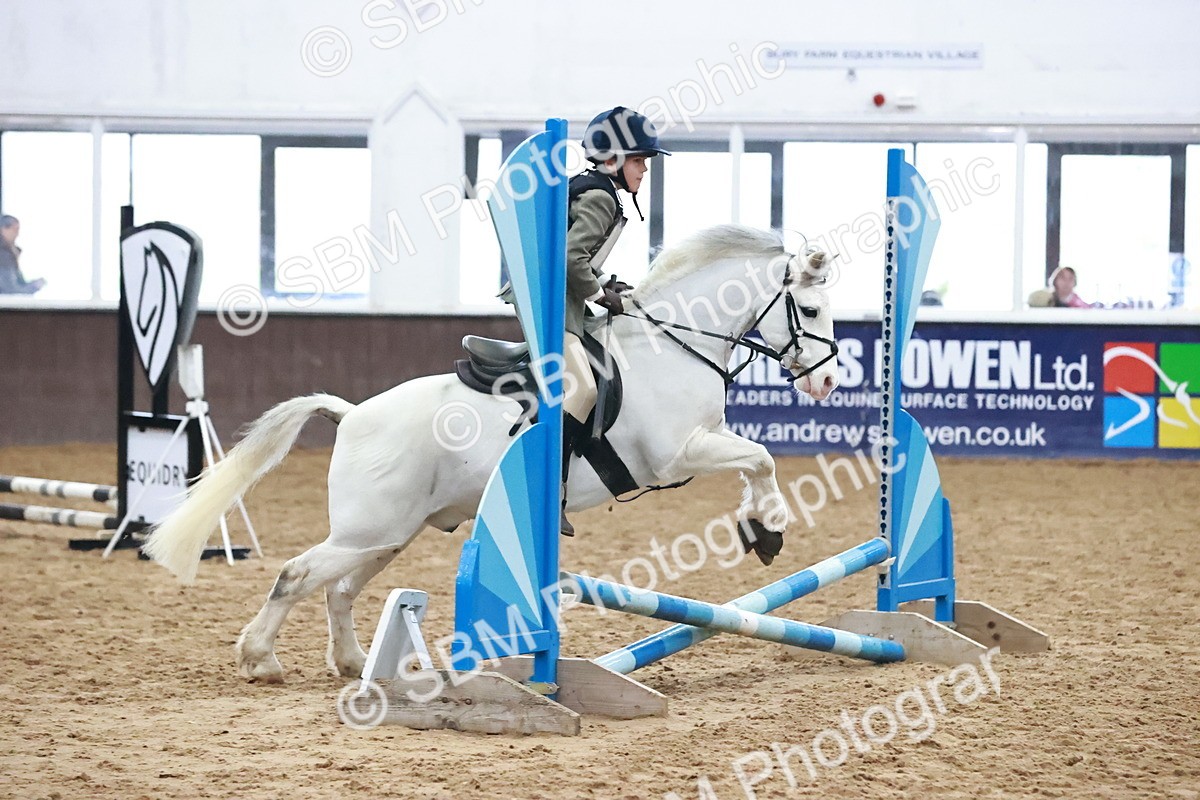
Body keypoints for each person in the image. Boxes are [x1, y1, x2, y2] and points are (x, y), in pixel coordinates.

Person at [557, 106, 670, 535]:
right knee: (583, 388)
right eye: (639, 160)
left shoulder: (599, 190)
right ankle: (552, 487)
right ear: (612, 160)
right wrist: (600, 295)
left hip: (565, 298)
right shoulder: (601, 197)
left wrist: (608, 284)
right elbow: (571, 258)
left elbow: (580, 258)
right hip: (554, 304)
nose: (645, 169)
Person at [0, 215, 46, 294]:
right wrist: (33, 287)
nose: (17, 234)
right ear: (3, 230)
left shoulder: (10, 252)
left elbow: (18, 284)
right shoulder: (4, 255)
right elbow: (9, 290)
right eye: (15, 230)